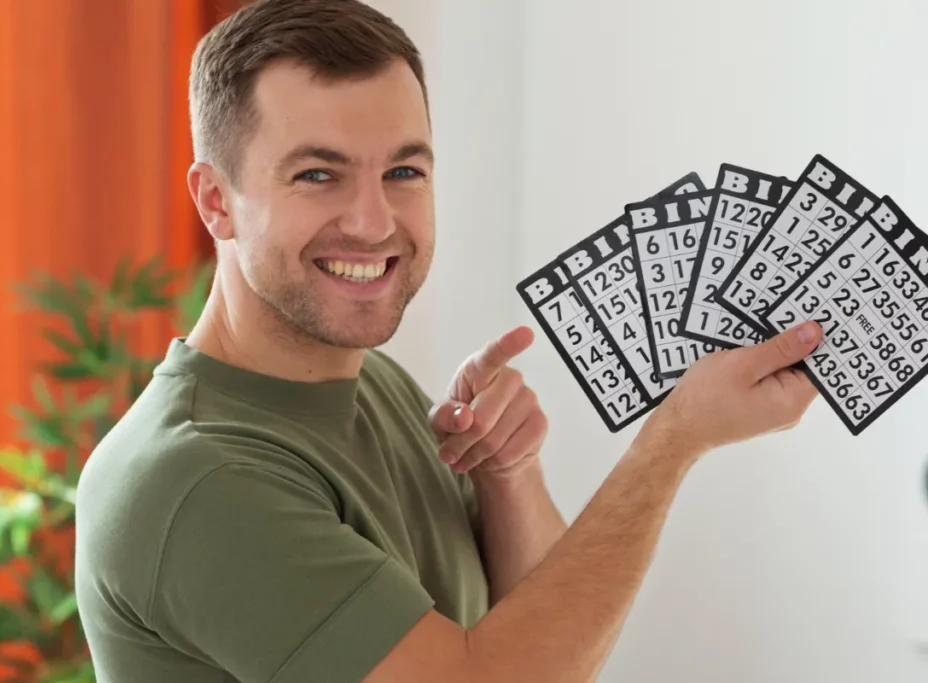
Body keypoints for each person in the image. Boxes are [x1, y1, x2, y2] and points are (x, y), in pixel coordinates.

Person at [73, 0, 824, 681]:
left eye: (404, 170)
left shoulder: (377, 385)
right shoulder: (201, 479)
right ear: (216, 201)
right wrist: (672, 439)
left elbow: (554, 650)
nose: (372, 221)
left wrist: (510, 477)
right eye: (316, 174)